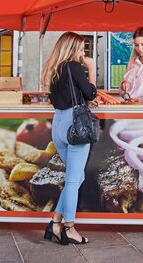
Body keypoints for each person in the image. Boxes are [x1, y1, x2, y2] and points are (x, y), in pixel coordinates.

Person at [41, 31, 97, 245]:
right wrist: (90, 68)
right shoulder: (74, 67)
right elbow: (91, 93)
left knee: (77, 177)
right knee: (73, 180)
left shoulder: (54, 68)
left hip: (58, 125)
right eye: (82, 49)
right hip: (75, 126)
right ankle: (69, 228)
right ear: (73, 49)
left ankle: (55, 222)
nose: (83, 53)